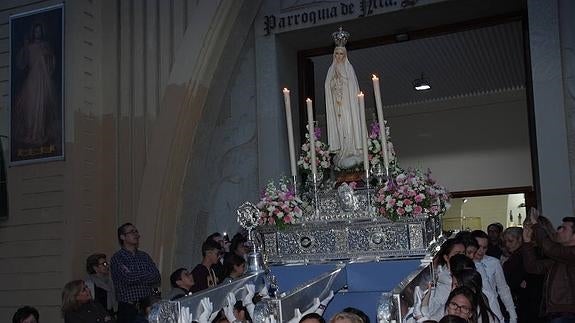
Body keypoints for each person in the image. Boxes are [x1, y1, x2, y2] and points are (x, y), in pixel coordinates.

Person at [522, 209, 575, 322]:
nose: (559, 230)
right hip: (557, 312)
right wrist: (527, 242)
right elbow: (533, 267)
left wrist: (536, 225)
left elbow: (551, 249)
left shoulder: (569, 254)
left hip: (568, 312)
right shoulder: (560, 256)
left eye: (564, 228)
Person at [324, 28, 363, 169]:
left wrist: (343, 82)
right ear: (334, 55)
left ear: (345, 55)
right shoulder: (331, 70)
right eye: (337, 54)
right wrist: (334, 85)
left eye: (341, 54)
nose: (339, 56)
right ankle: (342, 152)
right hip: (337, 105)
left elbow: (352, 86)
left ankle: (352, 150)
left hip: (348, 105)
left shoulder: (349, 69)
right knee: (340, 127)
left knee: (349, 125)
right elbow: (328, 86)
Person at [14, 23, 58, 146]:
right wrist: (24, 46)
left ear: (41, 33)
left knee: (40, 107)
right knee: (30, 107)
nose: (37, 33)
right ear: (33, 33)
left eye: (39, 31)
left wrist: (47, 57)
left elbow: (51, 62)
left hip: (42, 80)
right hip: (32, 79)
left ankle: (37, 133)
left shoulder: (45, 46)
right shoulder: (29, 47)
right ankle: (30, 133)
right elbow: (22, 63)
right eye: (35, 31)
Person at [110, 223, 161, 323]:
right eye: (132, 232)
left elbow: (156, 277)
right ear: (122, 237)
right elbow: (127, 278)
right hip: (128, 308)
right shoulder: (118, 258)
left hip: (147, 307)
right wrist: (146, 274)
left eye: (136, 231)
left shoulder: (144, 256)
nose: (136, 234)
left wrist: (135, 274)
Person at [471, 230, 517, 323]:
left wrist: (513, 315)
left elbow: (503, 289)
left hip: (492, 309)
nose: (481, 251)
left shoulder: (494, 262)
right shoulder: (464, 263)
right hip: (472, 310)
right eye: (478, 247)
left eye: (484, 248)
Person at [501, 227, 542, 323]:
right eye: (505, 242)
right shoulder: (518, 255)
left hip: (526, 303)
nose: (507, 245)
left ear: (520, 239)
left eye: (510, 241)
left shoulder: (524, 255)